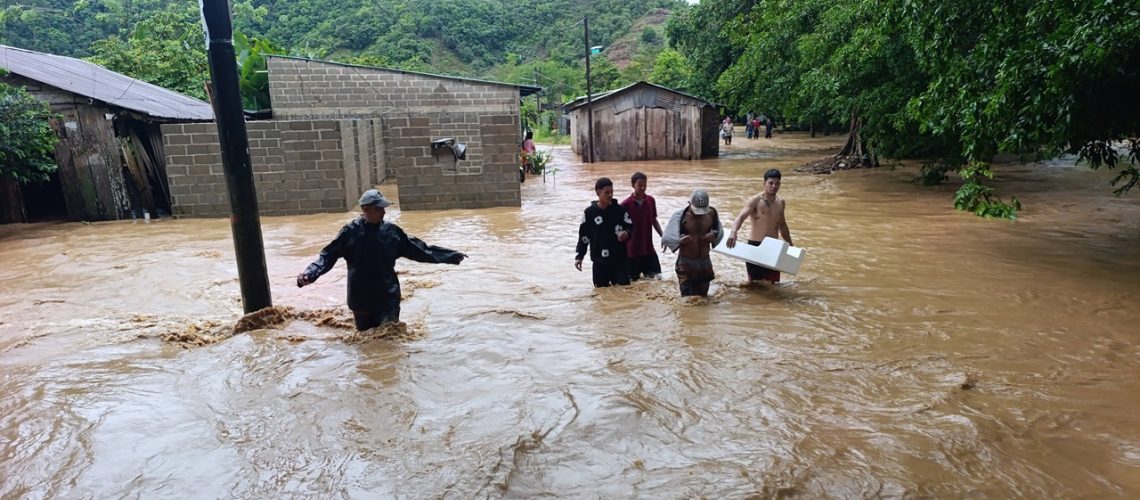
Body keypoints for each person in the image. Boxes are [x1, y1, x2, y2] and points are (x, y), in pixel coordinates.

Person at [297, 189, 466, 330]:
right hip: (361, 299)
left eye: (384, 208)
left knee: (390, 338)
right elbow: (327, 256)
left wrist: (449, 256)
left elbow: (420, 250)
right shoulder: (350, 232)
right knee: (366, 343)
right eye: (379, 209)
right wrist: (309, 274)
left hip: (388, 296)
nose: (384, 212)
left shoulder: (391, 232)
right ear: (366, 209)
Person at [726, 168, 793, 283]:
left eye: (777, 183)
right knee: (755, 285)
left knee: (773, 286)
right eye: (770, 183)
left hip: (773, 247)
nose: (774, 186)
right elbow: (741, 217)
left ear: (780, 184)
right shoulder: (756, 200)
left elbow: (782, 225)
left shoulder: (781, 202)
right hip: (755, 247)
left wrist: (790, 245)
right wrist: (733, 232)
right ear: (764, 183)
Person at [662, 189, 722, 297]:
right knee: (687, 300)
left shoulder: (712, 214)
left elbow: (718, 231)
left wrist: (714, 235)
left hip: (704, 262)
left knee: (703, 299)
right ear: (689, 203)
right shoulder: (681, 216)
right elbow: (669, 236)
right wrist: (680, 240)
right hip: (685, 263)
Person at [575, 177, 634, 287]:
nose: (610, 195)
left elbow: (630, 226)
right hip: (599, 262)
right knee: (601, 295)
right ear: (598, 192)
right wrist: (579, 257)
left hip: (620, 261)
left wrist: (626, 233)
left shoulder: (619, 210)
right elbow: (584, 237)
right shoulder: (589, 213)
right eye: (607, 192)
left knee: (624, 293)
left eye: (612, 192)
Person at [620, 172, 663, 280]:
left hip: (648, 249)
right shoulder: (625, 204)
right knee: (633, 283)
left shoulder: (651, 200)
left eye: (645, 185)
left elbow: (654, 220)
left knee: (657, 279)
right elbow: (620, 227)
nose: (643, 188)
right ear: (633, 185)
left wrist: (663, 236)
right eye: (640, 185)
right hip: (632, 251)